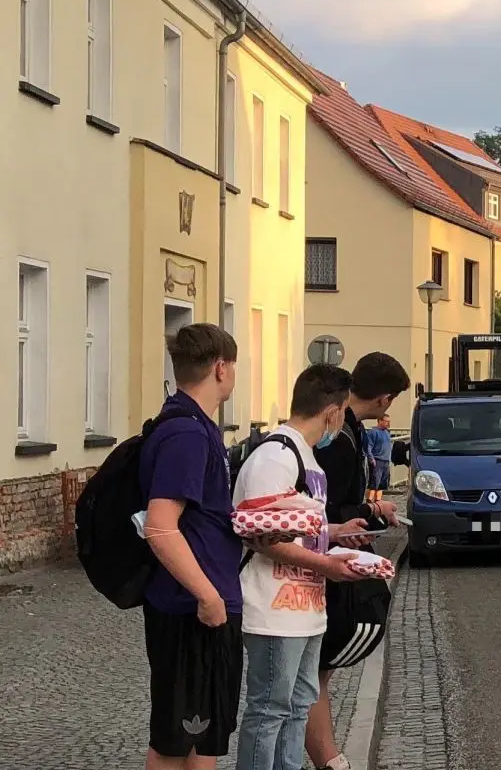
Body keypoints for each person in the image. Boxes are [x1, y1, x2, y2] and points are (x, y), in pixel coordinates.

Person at [234, 364, 372, 770]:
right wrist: (327, 564)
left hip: (306, 609)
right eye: (343, 413)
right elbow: (261, 538)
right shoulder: (276, 457)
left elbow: (293, 528)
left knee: (297, 707)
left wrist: (335, 531)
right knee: (269, 710)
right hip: (274, 610)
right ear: (332, 411)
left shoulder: (307, 457)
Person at [139, 324, 241, 770]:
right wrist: (208, 596)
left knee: (204, 739)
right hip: (190, 609)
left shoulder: (197, 426)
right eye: (233, 365)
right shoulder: (186, 434)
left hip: (202, 602)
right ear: (220, 368)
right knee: (175, 741)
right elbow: (160, 526)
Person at [306, 353, 409, 770]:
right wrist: (367, 515)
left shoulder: (347, 430)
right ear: (385, 398)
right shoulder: (340, 438)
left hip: (324, 557)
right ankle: (329, 761)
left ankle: (327, 757)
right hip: (323, 565)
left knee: (316, 670)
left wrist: (372, 510)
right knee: (315, 670)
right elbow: (325, 508)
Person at [365, 415, 393, 504]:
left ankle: (378, 501)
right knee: (374, 483)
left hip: (386, 461)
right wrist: (371, 459)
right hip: (377, 460)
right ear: (380, 421)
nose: (388, 423)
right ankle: (369, 501)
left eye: (389, 421)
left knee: (382, 484)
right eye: (386, 421)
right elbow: (368, 447)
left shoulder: (387, 433)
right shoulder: (373, 432)